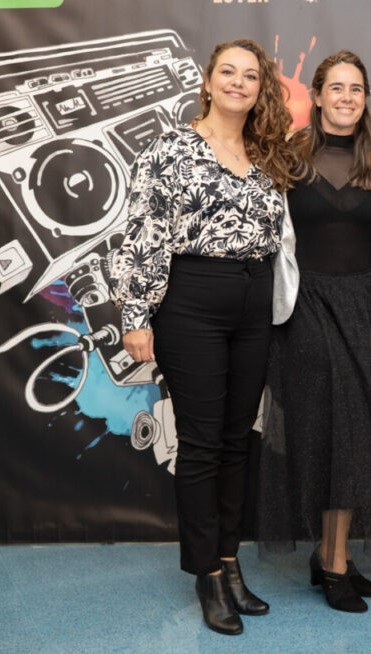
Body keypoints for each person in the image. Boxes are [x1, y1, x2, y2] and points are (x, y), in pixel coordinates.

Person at [109, 38, 295, 635]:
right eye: (228, 73)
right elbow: (141, 233)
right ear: (208, 82)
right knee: (201, 442)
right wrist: (135, 317)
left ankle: (230, 560)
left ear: (261, 88)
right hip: (192, 301)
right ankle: (205, 576)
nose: (239, 83)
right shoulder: (170, 148)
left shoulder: (269, 154)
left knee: (239, 438)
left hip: (254, 302)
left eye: (250, 76)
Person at [257, 51, 371, 613]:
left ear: (364, 99)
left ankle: (332, 553)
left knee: (355, 432)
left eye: (357, 89)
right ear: (317, 96)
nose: (347, 97)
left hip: (363, 307)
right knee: (334, 430)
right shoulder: (284, 159)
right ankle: (334, 565)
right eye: (337, 88)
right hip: (305, 307)